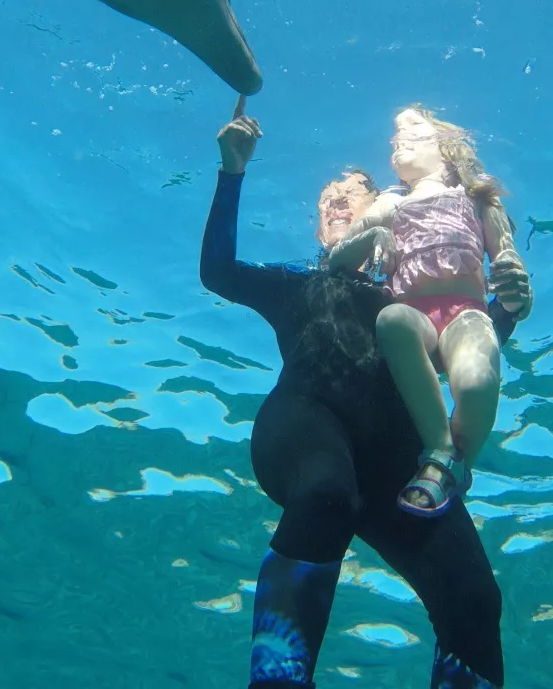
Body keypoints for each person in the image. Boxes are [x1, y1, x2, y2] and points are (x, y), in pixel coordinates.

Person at [200, 99, 531, 689]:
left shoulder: (411, 298)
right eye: (327, 198)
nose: (336, 200)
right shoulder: (297, 283)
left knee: (475, 596)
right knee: (327, 493)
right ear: (318, 229)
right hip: (305, 423)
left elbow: (467, 351)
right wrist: (232, 171)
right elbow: (218, 271)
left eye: (352, 193)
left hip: (394, 455)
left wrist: (507, 304)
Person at [325, 107, 531, 517]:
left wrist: (518, 292)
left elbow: (510, 267)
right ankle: (440, 453)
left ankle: (458, 465)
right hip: (414, 317)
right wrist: (373, 234)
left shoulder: (480, 200)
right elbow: (338, 260)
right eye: (396, 130)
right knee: (392, 319)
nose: (397, 135)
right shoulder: (391, 203)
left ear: (447, 146)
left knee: (476, 382)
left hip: (466, 314)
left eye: (412, 126)